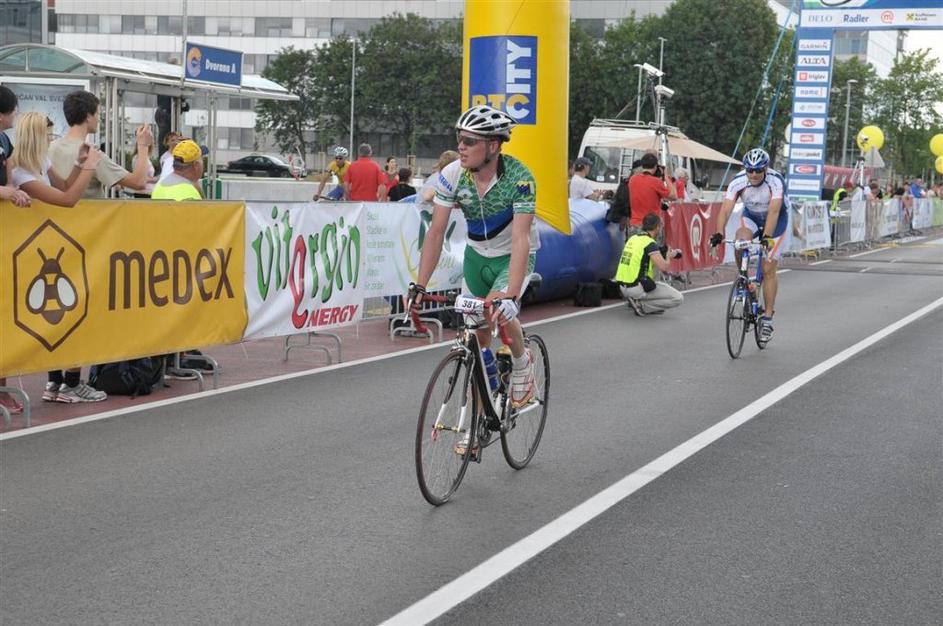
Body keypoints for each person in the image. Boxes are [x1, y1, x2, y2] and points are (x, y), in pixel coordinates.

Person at [407, 104, 540, 419]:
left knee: (499, 311)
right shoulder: (453, 175)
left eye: (469, 141)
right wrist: (420, 285)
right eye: (459, 139)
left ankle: (522, 361)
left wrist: (511, 295)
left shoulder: (520, 178)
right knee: (477, 342)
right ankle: (480, 420)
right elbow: (436, 232)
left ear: (493, 146)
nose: (460, 147)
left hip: (512, 257)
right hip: (476, 256)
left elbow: (521, 239)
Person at [9, 111, 108, 403]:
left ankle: (58, 382)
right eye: (48, 135)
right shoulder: (20, 171)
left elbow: (63, 186)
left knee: (61, 314)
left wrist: (78, 165)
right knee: (67, 311)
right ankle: (68, 382)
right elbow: (68, 200)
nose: (51, 140)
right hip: (35, 251)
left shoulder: (40, 161)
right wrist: (90, 167)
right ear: (36, 137)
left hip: (51, 247)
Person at [709, 148, 789, 345]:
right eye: (750, 170)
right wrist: (719, 233)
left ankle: (768, 318)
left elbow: (774, 211)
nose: (753, 174)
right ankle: (744, 278)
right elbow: (725, 210)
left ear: (766, 169)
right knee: (740, 240)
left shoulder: (775, 181)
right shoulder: (738, 181)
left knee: (768, 268)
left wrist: (767, 237)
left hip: (776, 220)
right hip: (752, 216)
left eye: (758, 170)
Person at [48, 90, 153, 198]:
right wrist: (143, 145)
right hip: (88, 209)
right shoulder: (90, 155)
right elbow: (138, 182)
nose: (99, 120)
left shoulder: (48, 148)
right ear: (88, 116)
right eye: (98, 114)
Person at [0, 86, 31, 415]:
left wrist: (13, 189)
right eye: (13, 110)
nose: (15, 115)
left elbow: (9, 176)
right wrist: (6, 192)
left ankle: (3, 388)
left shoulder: (6, 142)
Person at [614, 212, 684, 316]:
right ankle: (643, 306)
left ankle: (637, 300)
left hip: (622, 286)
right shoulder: (649, 243)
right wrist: (668, 256)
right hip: (636, 287)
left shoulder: (633, 239)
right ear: (657, 227)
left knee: (650, 269)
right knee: (678, 298)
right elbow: (664, 267)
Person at [628, 152, 677, 233]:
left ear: (642, 165)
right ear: (655, 166)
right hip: (651, 227)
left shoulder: (632, 179)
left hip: (635, 224)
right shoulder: (656, 182)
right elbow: (674, 196)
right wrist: (666, 177)